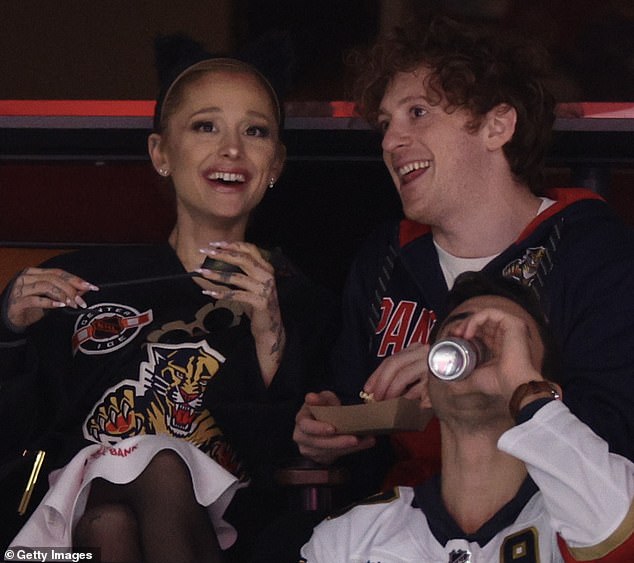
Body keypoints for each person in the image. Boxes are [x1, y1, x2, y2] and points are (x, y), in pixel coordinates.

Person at [0, 37, 335, 562]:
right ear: (161, 153)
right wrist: (9, 334)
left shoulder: (300, 299)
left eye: (256, 131)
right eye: (206, 126)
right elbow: (16, 439)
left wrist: (270, 334)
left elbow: (287, 468)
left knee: (120, 515)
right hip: (53, 547)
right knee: (118, 505)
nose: (232, 149)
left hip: (227, 540)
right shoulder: (84, 279)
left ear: (276, 163)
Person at [294, 14, 634, 498]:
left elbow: (615, 434)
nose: (390, 141)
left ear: (497, 126)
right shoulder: (385, 258)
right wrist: (328, 426)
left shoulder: (593, 253)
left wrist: (464, 372)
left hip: (543, 521)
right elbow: (358, 399)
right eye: (386, 124)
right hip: (406, 523)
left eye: (418, 112)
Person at [300, 271, 634, 562]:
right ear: (428, 389)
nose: (474, 338)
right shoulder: (352, 537)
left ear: (548, 392)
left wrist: (525, 389)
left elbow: (620, 535)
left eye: (510, 338)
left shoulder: (578, 516)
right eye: (457, 331)